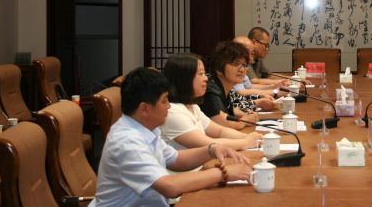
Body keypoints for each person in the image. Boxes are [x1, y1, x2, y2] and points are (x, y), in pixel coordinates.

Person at [90, 67, 251, 207]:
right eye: (164, 101)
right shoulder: (127, 142)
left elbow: (175, 159)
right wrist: (223, 173)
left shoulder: (145, 128)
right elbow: (169, 186)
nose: (168, 106)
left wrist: (211, 150)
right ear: (144, 109)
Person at [160, 53, 261, 160]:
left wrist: (250, 137)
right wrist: (245, 142)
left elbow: (219, 131)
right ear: (184, 78)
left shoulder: (192, 106)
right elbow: (209, 144)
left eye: (204, 73)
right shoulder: (173, 112)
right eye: (200, 74)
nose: (205, 79)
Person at [200, 40, 259, 130]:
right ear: (219, 68)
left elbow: (229, 111)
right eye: (236, 64)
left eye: (244, 65)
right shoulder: (211, 90)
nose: (242, 70)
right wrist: (246, 120)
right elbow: (222, 123)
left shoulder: (226, 86)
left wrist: (247, 114)